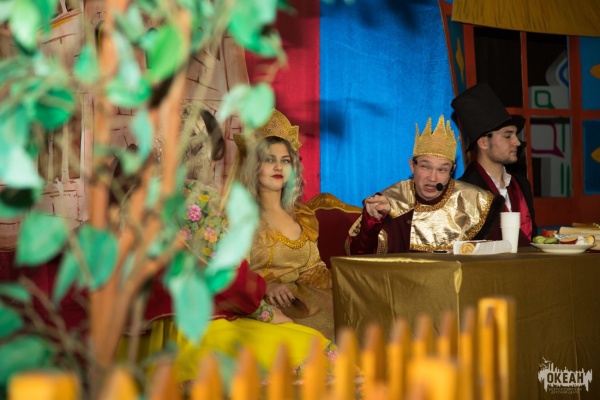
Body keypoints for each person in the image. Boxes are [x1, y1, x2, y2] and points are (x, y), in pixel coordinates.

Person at [116, 105, 335, 383]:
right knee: (318, 349)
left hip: (144, 329)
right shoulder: (197, 199)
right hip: (196, 327)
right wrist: (267, 313)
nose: (212, 162)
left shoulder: (136, 198)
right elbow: (228, 276)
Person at [237, 109, 335, 341]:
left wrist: (353, 281)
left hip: (304, 301)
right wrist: (264, 287)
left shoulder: (302, 216)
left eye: (285, 161)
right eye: (269, 160)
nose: (278, 167)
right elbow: (231, 275)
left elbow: (313, 272)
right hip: (260, 305)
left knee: (348, 320)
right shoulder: (239, 218)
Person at [346, 115, 504, 254]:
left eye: (442, 169)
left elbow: (498, 254)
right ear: (412, 166)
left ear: (452, 170)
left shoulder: (477, 202)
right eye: (425, 167)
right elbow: (357, 255)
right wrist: (372, 221)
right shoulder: (390, 201)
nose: (432, 178)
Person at [451, 83, 537, 246]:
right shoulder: (463, 190)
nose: (517, 142)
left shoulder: (522, 184)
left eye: (515, 135)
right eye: (507, 136)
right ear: (483, 142)